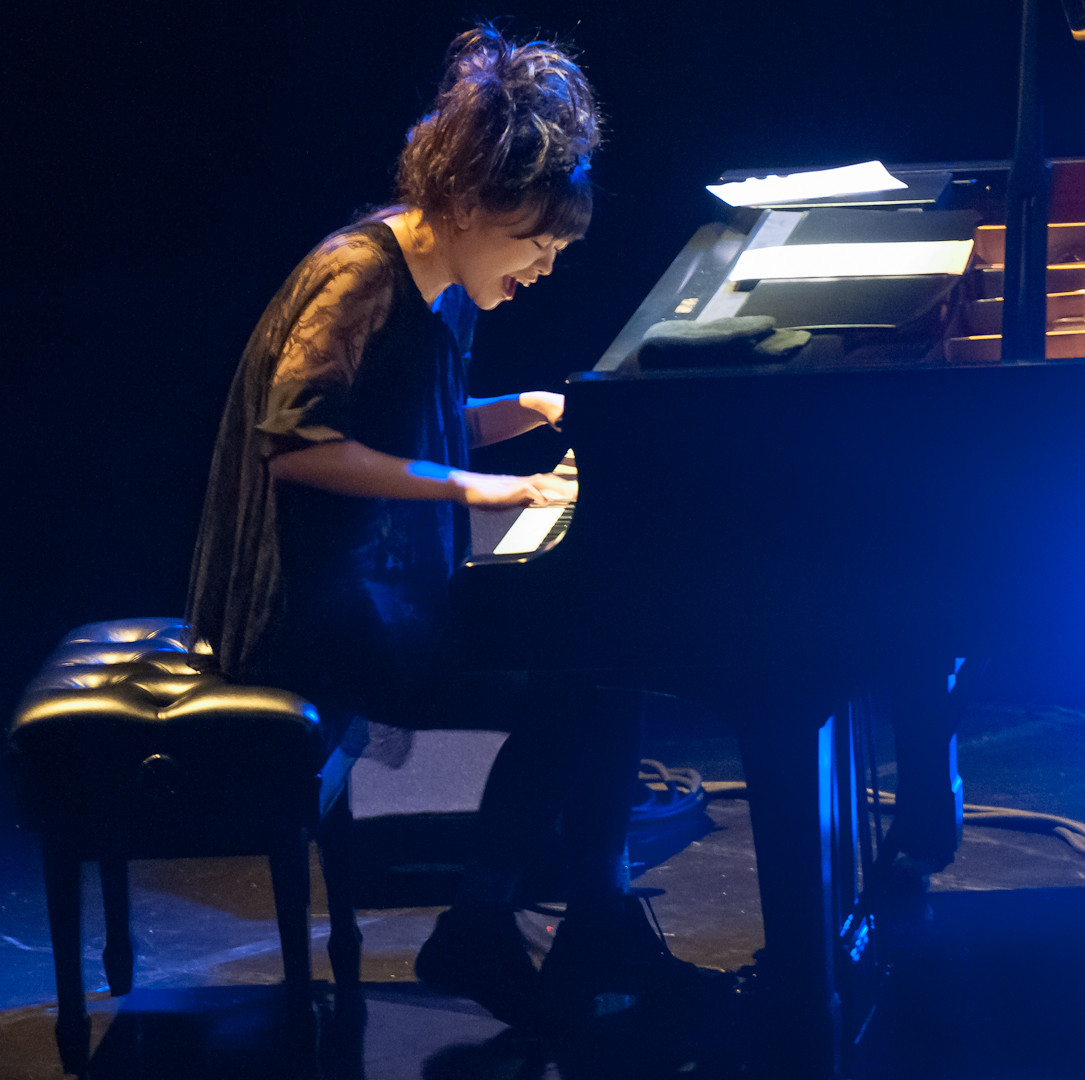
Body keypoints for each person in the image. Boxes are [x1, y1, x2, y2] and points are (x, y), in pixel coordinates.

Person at [185, 24, 677, 1031]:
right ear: (468, 203)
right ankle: (498, 925)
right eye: (536, 243)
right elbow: (298, 444)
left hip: (366, 584)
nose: (542, 268)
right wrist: (478, 490)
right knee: (576, 688)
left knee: (604, 669)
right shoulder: (360, 275)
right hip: (303, 605)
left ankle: (579, 919)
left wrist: (525, 408)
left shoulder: (440, 275)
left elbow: (400, 420)